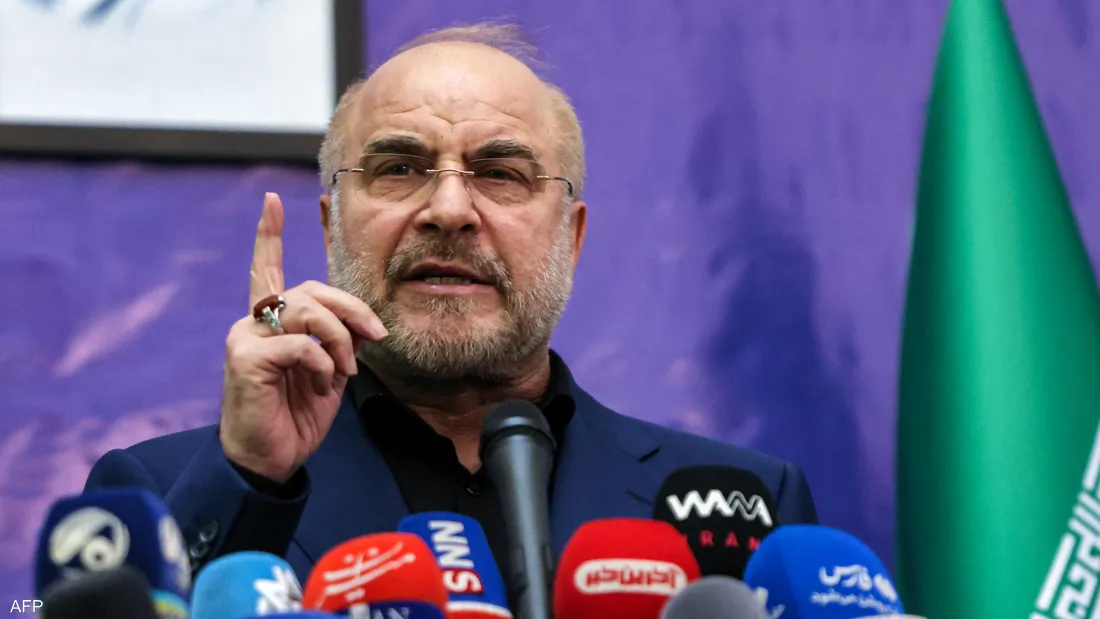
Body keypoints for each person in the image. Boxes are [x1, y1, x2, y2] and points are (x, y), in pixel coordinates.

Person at [85, 24, 818, 583]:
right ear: (332, 226)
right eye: (400, 167)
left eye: (500, 173)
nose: (448, 209)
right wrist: (248, 478)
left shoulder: (746, 509)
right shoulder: (159, 491)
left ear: (572, 236)